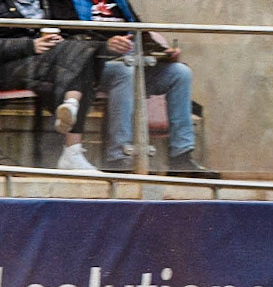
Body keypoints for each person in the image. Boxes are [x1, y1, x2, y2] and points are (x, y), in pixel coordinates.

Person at [48, 0, 214, 176]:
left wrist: (163, 52)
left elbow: (141, 34)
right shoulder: (67, 3)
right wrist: (105, 46)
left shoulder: (120, 2)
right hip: (93, 68)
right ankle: (119, 157)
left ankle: (181, 157)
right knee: (124, 71)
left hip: (131, 62)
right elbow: (69, 42)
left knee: (180, 73)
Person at [0, 0, 108, 171]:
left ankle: (71, 106)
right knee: (80, 59)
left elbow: (70, 33)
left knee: (81, 56)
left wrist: (57, 41)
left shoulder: (45, 2)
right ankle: (72, 145)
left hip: (48, 65)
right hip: (7, 69)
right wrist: (30, 45)